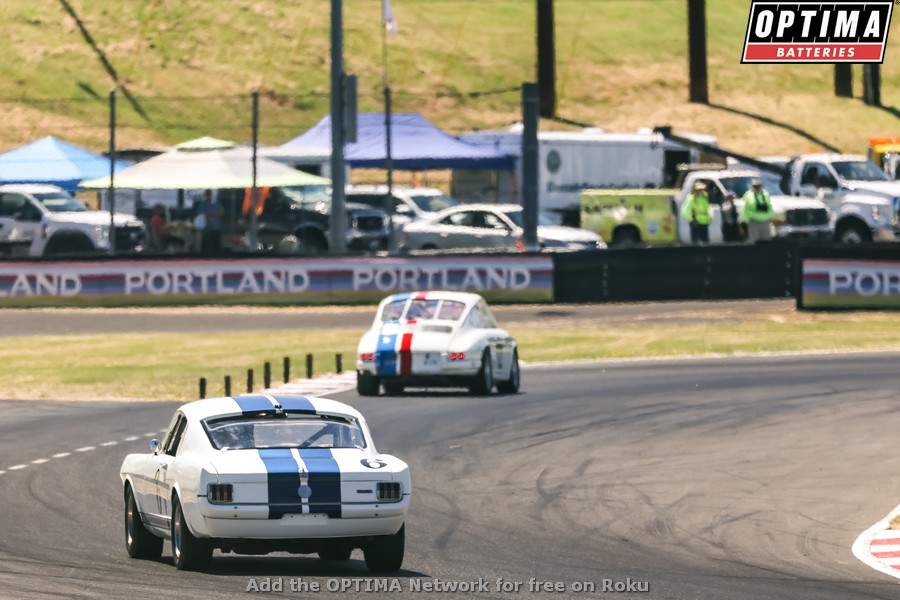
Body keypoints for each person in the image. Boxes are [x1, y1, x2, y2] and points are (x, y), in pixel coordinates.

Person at [741, 178, 775, 243]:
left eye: (758, 186)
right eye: (755, 186)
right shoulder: (748, 195)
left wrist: (771, 217)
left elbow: (769, 206)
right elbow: (746, 208)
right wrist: (746, 221)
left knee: (766, 241)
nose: (757, 188)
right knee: (754, 241)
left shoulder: (766, 194)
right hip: (754, 222)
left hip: (765, 221)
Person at [196, 189, 224, 256]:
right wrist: (212, 215)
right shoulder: (201, 206)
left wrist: (210, 214)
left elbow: (221, 212)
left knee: (218, 250)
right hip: (206, 231)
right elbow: (202, 216)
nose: (208, 196)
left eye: (209, 194)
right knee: (207, 251)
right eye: (207, 195)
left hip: (216, 230)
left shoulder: (216, 204)